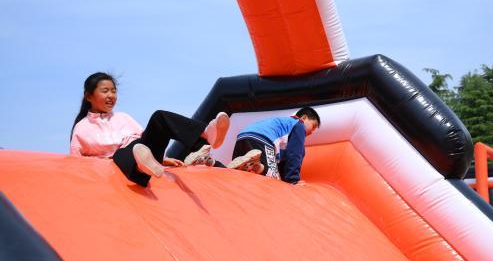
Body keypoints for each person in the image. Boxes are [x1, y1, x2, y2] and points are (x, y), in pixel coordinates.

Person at [70, 72, 254, 187]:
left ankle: (207, 133)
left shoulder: (123, 118)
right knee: (123, 153)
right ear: (89, 96)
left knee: (159, 117)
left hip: (141, 151)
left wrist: (163, 160)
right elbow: (75, 164)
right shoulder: (82, 128)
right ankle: (140, 164)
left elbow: (146, 141)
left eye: (113, 91)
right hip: (119, 163)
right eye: (105, 91)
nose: (111, 96)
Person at [228, 107, 321, 184]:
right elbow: (295, 153)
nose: (312, 132)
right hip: (262, 139)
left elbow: (283, 160)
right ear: (303, 118)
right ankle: (258, 166)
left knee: (237, 176)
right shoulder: (299, 124)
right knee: (274, 182)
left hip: (243, 137)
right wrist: (293, 180)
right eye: (313, 126)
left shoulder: (283, 126)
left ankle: (247, 165)